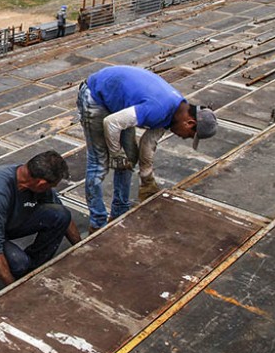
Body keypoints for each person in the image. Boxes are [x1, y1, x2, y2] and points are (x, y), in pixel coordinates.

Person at [77, 66, 218, 231]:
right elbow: (112, 123)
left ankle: (119, 211)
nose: (183, 137)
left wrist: (147, 178)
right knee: (99, 163)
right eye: (188, 135)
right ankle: (98, 223)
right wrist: (116, 153)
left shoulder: (177, 112)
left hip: (118, 102)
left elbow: (148, 142)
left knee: (129, 157)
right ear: (190, 123)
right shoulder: (159, 108)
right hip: (95, 96)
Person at [0, 151, 82, 295]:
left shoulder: (34, 179)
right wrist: (15, 291)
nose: (50, 190)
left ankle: (32, 268)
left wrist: (82, 247)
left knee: (60, 214)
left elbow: (60, 213)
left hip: (8, 221)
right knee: (18, 263)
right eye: (50, 186)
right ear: (41, 183)